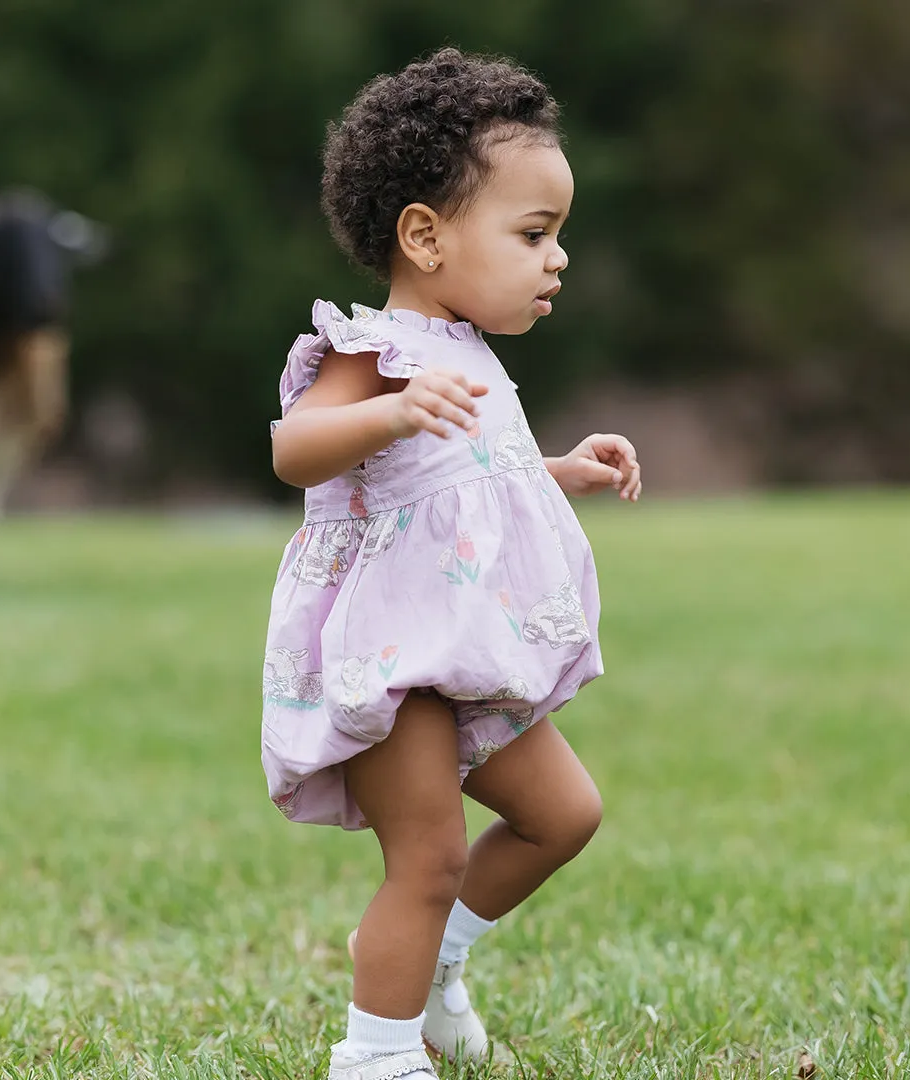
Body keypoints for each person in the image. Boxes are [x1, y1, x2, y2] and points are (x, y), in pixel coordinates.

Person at [263, 46, 642, 1080]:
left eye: (557, 234)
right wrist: (384, 406)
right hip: (394, 654)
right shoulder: (372, 348)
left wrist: (562, 466)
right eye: (534, 233)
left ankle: (437, 966)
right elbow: (294, 447)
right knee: (424, 861)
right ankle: (375, 1055)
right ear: (424, 236)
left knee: (564, 815)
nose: (556, 257)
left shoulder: (474, 351)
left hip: (467, 641)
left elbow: (475, 474)